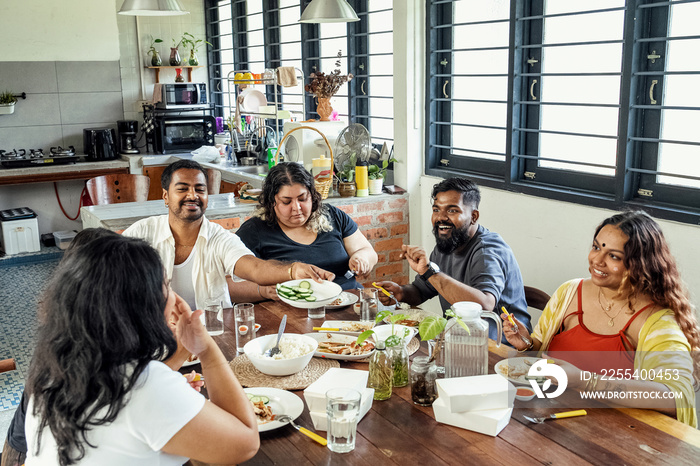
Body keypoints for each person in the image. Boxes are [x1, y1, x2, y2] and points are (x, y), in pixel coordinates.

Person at [23, 234, 260, 465]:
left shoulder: (52, 370)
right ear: (143, 304)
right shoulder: (145, 385)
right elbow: (246, 442)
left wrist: (171, 388)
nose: (174, 296)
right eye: (166, 285)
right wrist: (206, 349)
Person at [503, 211, 699, 427]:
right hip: (548, 421)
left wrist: (584, 380)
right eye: (597, 247)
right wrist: (527, 344)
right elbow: (540, 353)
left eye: (614, 256)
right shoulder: (569, 291)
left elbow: (674, 397)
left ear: (640, 264)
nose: (597, 260)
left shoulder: (658, 321)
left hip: (613, 436)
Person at [123, 159, 334, 311]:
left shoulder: (220, 239)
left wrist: (293, 269)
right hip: (155, 335)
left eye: (200, 189)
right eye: (183, 188)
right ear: (166, 196)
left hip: (212, 335)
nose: (192, 195)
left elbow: (256, 268)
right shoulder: (141, 233)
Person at [376, 177, 531, 343]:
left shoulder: (487, 252)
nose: (441, 218)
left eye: (452, 211)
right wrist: (400, 292)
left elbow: (484, 305)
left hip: (498, 349)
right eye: (436, 210)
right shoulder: (448, 244)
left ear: (473, 216)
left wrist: (429, 271)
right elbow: (422, 290)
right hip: (458, 341)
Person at [233, 162, 378, 302]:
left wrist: (362, 258)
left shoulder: (332, 216)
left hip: (347, 301)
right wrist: (262, 292)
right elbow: (229, 286)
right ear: (272, 202)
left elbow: (367, 251)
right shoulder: (254, 231)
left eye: (302, 199)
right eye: (286, 202)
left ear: (313, 196)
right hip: (291, 313)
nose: (297, 208)